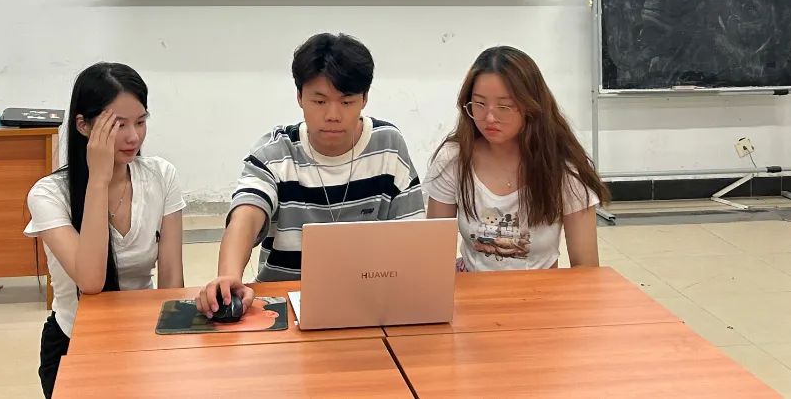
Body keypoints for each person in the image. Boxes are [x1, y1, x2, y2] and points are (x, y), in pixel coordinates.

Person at [196, 32, 424, 317]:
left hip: (368, 303)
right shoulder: (276, 152)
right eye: (319, 101)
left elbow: (413, 238)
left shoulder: (388, 146)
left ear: (364, 99)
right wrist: (229, 276)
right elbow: (247, 214)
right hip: (283, 302)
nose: (333, 115)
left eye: (346, 102)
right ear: (299, 97)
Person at [25, 63, 184, 398]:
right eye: (118, 125)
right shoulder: (48, 194)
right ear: (83, 125)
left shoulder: (161, 176)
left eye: (141, 121)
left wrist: (168, 352)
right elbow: (91, 281)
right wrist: (98, 178)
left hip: (145, 338)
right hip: (74, 343)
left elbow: (172, 284)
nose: (133, 136)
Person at [424, 46, 608, 271]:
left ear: (531, 106)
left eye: (504, 106)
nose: (489, 117)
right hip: (473, 285)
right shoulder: (453, 159)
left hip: (539, 288)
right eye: (479, 104)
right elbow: (434, 256)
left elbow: (586, 268)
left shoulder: (563, 166)